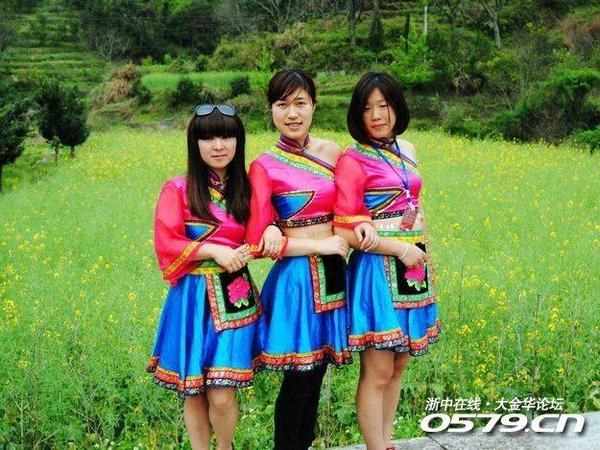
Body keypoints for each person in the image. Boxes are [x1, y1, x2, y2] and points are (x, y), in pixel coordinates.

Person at [333, 72, 442, 450]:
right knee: (378, 369)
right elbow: (346, 228)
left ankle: (386, 439)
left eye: (384, 105)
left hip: (413, 266)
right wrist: (398, 249)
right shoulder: (353, 160)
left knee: (399, 365)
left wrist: (422, 251)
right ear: (357, 114)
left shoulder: (407, 149)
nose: (377, 115)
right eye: (367, 108)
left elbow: (414, 204)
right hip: (377, 269)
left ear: (397, 106)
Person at [246, 69, 352, 450]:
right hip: (296, 281)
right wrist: (277, 229)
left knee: (316, 375)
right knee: (300, 379)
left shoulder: (333, 153)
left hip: (334, 274)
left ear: (314, 106)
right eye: (282, 104)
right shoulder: (264, 165)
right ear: (271, 111)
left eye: (300, 103)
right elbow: (258, 240)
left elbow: (352, 207)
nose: (292, 113)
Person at [147, 104, 261, 450]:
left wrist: (265, 236)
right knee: (194, 391)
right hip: (192, 298)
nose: (218, 146)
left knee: (222, 394)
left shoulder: (248, 189)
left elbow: (263, 228)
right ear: (194, 143)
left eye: (226, 136)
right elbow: (167, 240)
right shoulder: (177, 189)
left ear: (238, 141)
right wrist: (213, 250)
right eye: (208, 138)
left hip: (235, 296)